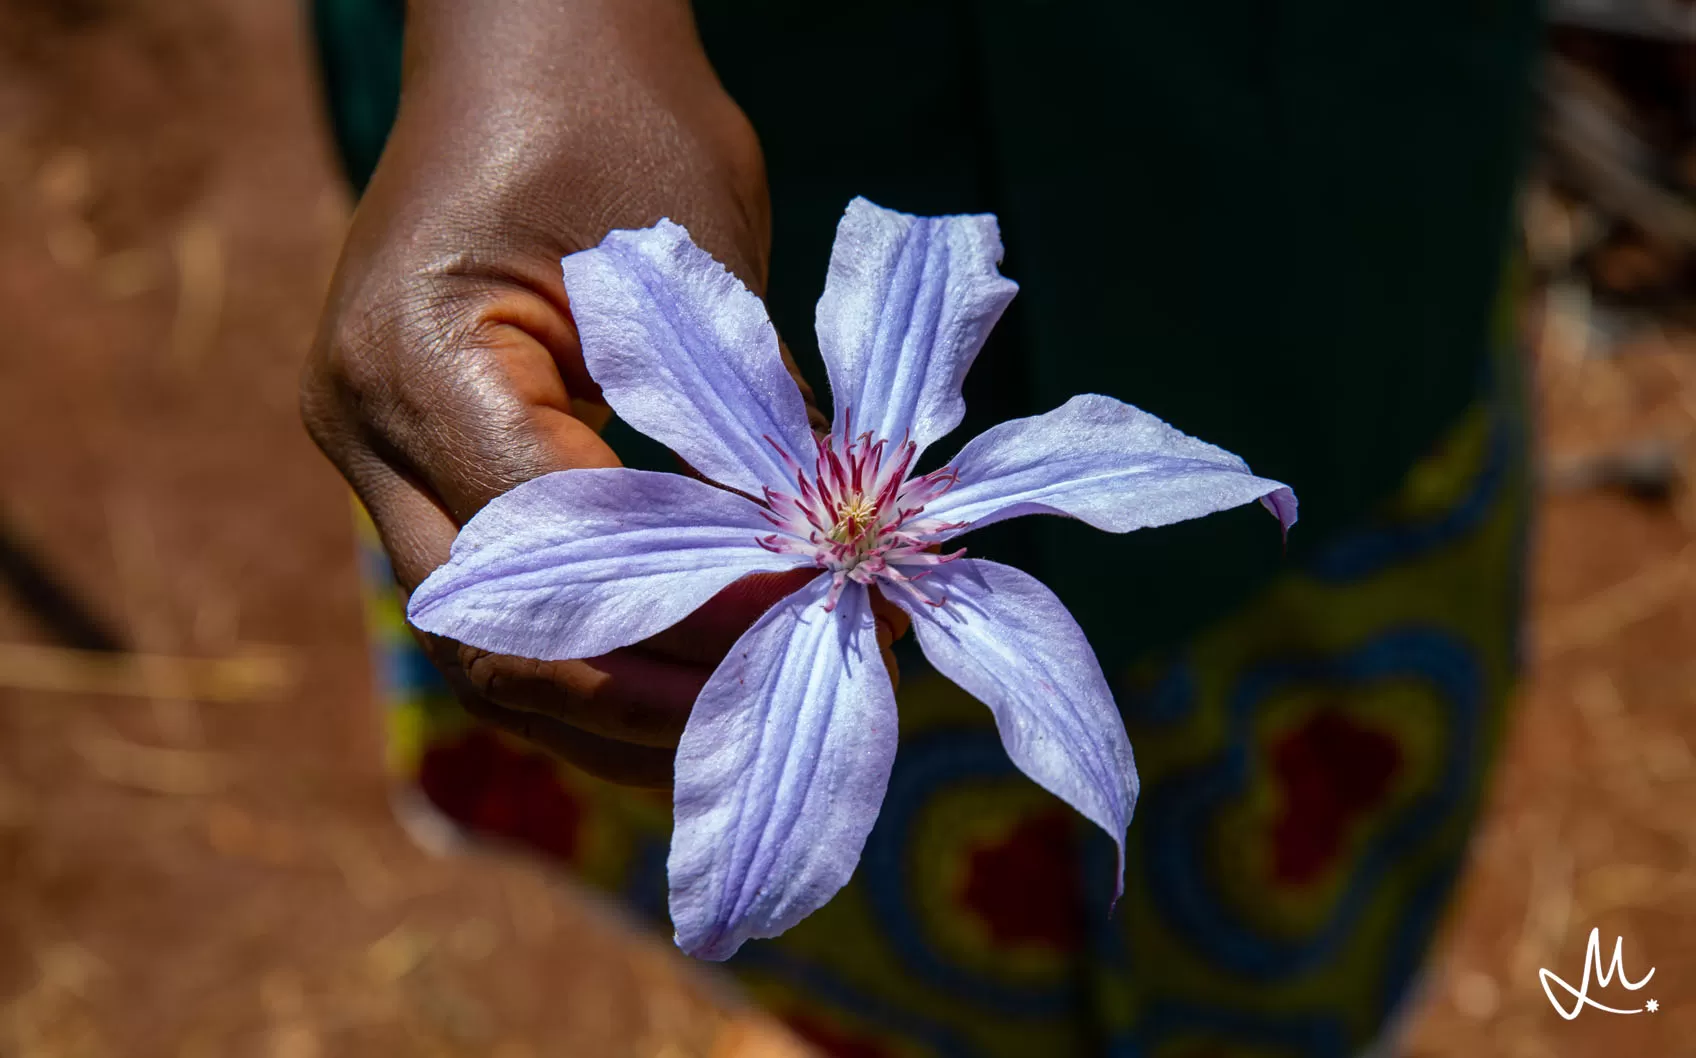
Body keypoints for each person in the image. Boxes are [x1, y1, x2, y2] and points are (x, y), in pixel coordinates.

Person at [301, 2, 1540, 1054]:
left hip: (1310, 210)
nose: (852, 510)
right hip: (764, 81)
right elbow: (525, 508)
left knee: (1283, 907)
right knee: (854, 963)